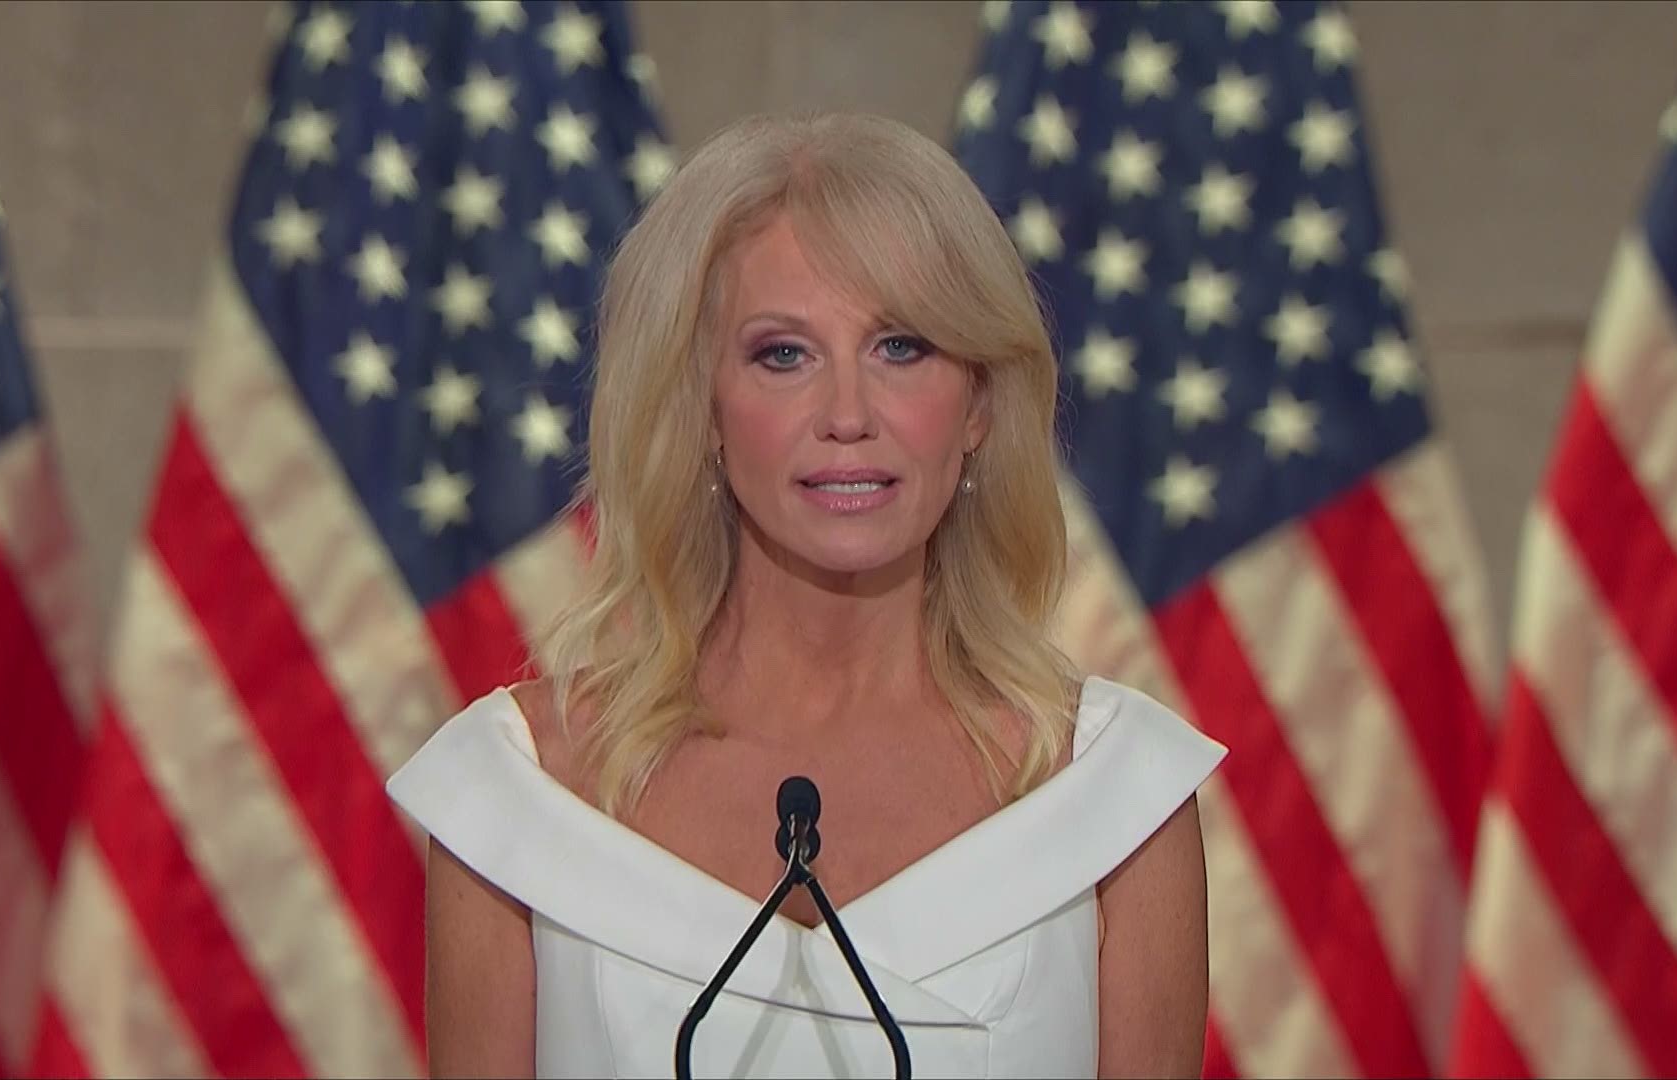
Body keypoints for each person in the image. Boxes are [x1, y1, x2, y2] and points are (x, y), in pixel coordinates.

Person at [386, 111, 1228, 1079]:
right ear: (699, 407)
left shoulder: (1113, 800)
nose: (847, 416)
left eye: (902, 347)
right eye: (783, 354)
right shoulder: (522, 797)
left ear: (981, 406)